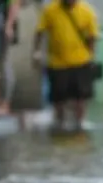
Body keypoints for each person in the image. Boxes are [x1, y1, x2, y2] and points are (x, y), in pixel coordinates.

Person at [33, 0, 99, 132]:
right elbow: (39, 31)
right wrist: (36, 52)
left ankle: (80, 122)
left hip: (81, 61)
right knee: (59, 96)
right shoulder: (50, 10)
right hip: (58, 63)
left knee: (81, 96)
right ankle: (59, 121)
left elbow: (92, 36)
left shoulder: (87, 11)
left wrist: (91, 56)